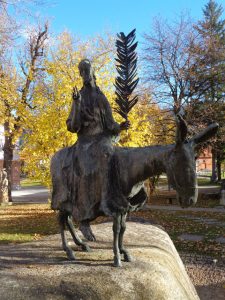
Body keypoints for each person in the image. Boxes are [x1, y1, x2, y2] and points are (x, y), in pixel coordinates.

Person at [56, 59, 130, 221]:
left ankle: (128, 194)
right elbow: (73, 126)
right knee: (103, 154)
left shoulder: (101, 97)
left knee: (120, 156)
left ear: (92, 72)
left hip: (102, 139)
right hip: (85, 141)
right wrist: (76, 104)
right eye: (81, 71)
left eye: (86, 70)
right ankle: (102, 202)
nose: (84, 74)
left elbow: (110, 124)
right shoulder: (79, 97)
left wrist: (122, 126)